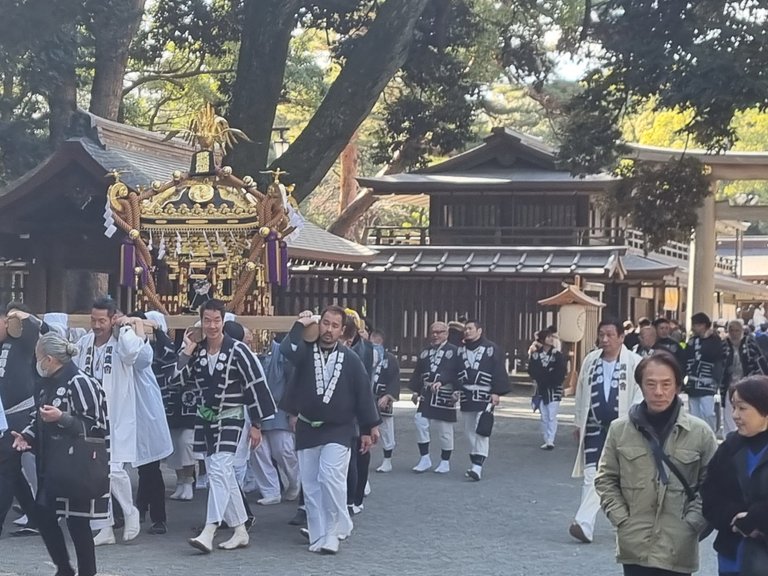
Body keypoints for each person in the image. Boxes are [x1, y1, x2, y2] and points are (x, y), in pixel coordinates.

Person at [595, 351, 718, 576]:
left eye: (666, 384)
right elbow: (605, 479)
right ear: (640, 387)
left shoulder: (700, 433)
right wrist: (621, 518)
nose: (659, 392)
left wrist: (693, 522)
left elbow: (713, 485)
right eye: (651, 384)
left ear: (678, 387)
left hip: (678, 545)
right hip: (635, 542)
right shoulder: (619, 430)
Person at [176, 299, 276, 554]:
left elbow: (256, 384)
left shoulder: (238, 350)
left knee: (220, 469)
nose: (212, 326)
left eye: (216, 320)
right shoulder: (197, 351)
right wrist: (186, 351)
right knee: (223, 475)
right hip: (207, 419)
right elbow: (176, 381)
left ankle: (209, 529)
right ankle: (241, 529)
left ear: (223, 322)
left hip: (232, 416)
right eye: (207, 320)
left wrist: (256, 424)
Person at [280, 307, 381, 554]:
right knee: (312, 484)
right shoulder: (305, 353)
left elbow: (363, 394)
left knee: (330, 477)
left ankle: (335, 529)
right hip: (307, 426)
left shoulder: (350, 359)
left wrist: (368, 428)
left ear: (342, 330)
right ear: (319, 323)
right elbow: (287, 350)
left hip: (339, 428)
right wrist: (299, 324)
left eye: (335, 325)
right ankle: (318, 533)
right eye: (325, 323)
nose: (329, 329)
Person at [76, 298, 173, 546]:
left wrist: (128, 327)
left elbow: (137, 356)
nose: (97, 325)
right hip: (91, 417)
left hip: (117, 416)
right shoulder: (85, 342)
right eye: (93, 320)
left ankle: (129, 510)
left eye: (102, 321)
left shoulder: (121, 342)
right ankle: (105, 527)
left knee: (115, 471)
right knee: (96, 476)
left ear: (112, 319)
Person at [12, 332, 110, 576]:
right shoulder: (47, 384)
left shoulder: (80, 381)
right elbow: (39, 419)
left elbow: (97, 425)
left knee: (78, 522)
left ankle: (88, 571)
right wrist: (27, 436)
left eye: (38, 357)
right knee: (43, 515)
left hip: (77, 465)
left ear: (50, 359)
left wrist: (63, 418)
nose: (36, 363)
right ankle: (64, 567)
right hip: (52, 464)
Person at [569, 317, 643, 544]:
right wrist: (578, 421)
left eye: (610, 335)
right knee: (591, 475)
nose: (605, 339)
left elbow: (639, 395)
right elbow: (581, 393)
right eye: (602, 334)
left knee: (621, 479)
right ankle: (585, 524)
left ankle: (623, 523)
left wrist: (635, 423)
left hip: (623, 428)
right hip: (593, 426)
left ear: (622, 337)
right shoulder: (591, 360)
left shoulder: (635, 362)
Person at [701, 376, 768, 576]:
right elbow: (709, 494)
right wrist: (734, 519)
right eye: (733, 407)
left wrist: (756, 519)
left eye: (742, 408)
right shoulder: (730, 447)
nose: (735, 415)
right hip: (732, 554)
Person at [0, 303, 41, 538]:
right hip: (5, 413)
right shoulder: (3, 344)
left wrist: (24, 317)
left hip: (20, 412)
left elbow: (39, 327)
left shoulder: (24, 341)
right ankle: (35, 517)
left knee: (6, 467)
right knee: (12, 472)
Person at [248, 338, 301, 504]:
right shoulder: (242, 352)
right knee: (258, 450)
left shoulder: (281, 351)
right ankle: (270, 490)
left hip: (280, 407)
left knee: (283, 449)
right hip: (253, 409)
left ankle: (295, 482)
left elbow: (293, 380)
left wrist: (294, 411)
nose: (250, 337)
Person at [457, 320, 511, 480]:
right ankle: (475, 461)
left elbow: (499, 370)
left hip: (485, 395)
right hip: (467, 394)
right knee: (468, 432)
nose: (466, 331)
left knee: (481, 430)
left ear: (479, 331)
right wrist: (455, 389)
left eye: (470, 328)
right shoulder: (460, 350)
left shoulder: (491, 349)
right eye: (465, 329)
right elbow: (454, 371)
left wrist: (496, 392)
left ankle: (477, 466)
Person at [408, 321, 462, 474]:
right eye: (433, 332)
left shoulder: (455, 351)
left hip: (444, 394)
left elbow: (458, 373)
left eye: (439, 332)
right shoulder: (425, 352)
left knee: (445, 430)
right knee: (420, 422)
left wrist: (457, 391)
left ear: (446, 333)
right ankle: (424, 458)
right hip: (426, 393)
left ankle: (445, 461)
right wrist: (416, 390)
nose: (435, 335)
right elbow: (418, 372)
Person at [722, 320, 768, 436]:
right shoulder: (724, 345)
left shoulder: (750, 343)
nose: (734, 333)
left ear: (742, 331)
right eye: (731, 330)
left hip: (748, 384)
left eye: (737, 330)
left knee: (748, 410)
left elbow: (759, 361)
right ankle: (729, 437)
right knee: (729, 413)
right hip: (729, 384)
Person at [684, 312, 726, 433]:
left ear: (703, 325)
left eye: (696, 325)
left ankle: (710, 434)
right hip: (692, 383)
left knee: (708, 412)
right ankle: (696, 437)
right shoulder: (692, 341)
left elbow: (718, 360)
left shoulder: (715, 341)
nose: (693, 328)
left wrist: (717, 380)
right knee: (694, 415)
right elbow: (686, 357)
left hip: (708, 383)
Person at [528, 329, 566, 450]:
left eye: (551, 337)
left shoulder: (557, 355)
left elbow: (561, 370)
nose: (551, 339)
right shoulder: (535, 355)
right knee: (544, 415)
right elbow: (532, 370)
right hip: (541, 388)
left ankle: (551, 439)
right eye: (548, 337)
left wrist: (551, 377)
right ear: (542, 339)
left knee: (552, 415)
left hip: (554, 387)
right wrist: (543, 375)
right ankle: (546, 438)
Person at [370, 330, 400, 474]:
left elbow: (394, 379)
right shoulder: (366, 355)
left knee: (386, 429)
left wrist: (388, 396)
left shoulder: (390, 358)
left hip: (382, 397)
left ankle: (387, 460)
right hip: (368, 397)